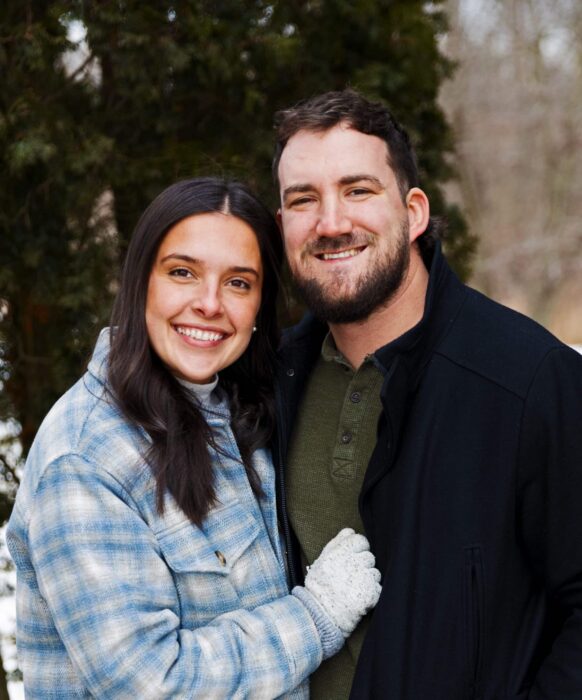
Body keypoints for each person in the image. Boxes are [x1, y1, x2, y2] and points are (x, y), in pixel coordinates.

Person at [6, 177, 382, 699]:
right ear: (141, 282)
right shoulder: (85, 460)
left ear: (259, 308)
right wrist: (317, 614)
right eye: (182, 272)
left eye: (238, 283)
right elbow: (152, 683)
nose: (209, 303)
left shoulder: (239, 411)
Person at [271, 89, 582, 699]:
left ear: (413, 212)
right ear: (282, 226)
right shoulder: (268, 388)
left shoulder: (528, 379)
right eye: (303, 200)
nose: (330, 223)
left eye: (358, 190)